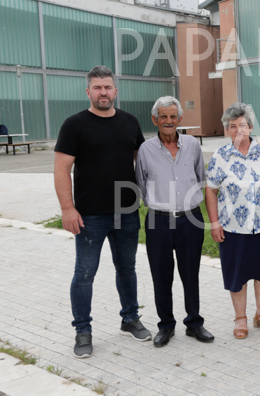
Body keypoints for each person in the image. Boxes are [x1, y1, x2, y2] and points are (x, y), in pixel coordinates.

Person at [54, 65, 150, 359]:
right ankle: (82, 330)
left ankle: (130, 318)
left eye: (107, 87)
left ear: (115, 91)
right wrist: (67, 209)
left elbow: (143, 162)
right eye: (97, 88)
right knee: (84, 274)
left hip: (127, 210)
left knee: (127, 269)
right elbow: (61, 169)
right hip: (89, 214)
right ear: (88, 92)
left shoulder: (130, 121)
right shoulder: (74, 124)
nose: (103, 92)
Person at [205, 103, 260, 339]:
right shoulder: (220, 156)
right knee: (237, 274)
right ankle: (240, 318)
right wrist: (214, 223)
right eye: (233, 126)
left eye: (242, 125)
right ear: (227, 130)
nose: (238, 130)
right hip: (233, 227)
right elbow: (210, 190)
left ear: (251, 127)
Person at [135, 96, 213, 348]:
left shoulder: (192, 145)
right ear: (154, 119)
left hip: (190, 219)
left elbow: (200, 177)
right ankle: (166, 325)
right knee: (161, 276)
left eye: (172, 116)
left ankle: (194, 323)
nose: (168, 121)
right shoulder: (145, 150)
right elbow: (141, 184)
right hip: (158, 221)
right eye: (163, 117)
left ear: (179, 119)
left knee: (190, 273)